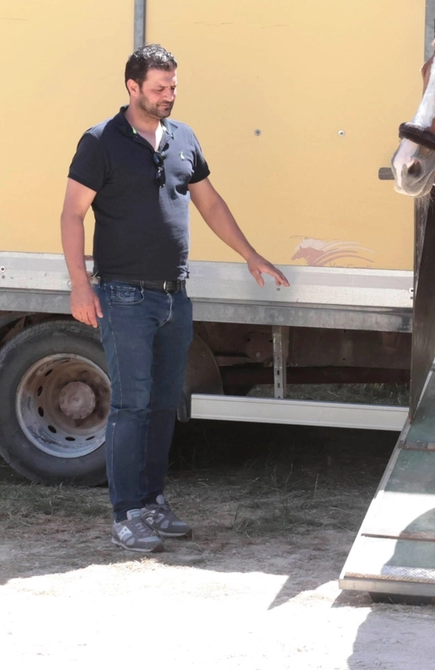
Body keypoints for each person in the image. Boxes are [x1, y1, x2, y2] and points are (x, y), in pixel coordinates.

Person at [61, 44, 289, 554]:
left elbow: (210, 202)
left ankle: (152, 502)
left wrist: (250, 255)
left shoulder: (183, 138)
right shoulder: (101, 141)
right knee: (131, 406)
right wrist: (80, 284)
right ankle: (126, 515)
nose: (168, 96)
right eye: (159, 88)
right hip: (122, 296)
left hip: (174, 296)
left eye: (173, 88)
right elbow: (73, 213)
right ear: (133, 87)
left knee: (165, 405)